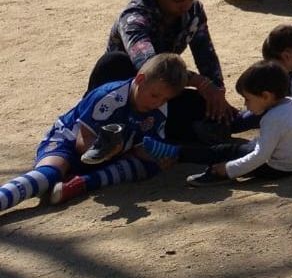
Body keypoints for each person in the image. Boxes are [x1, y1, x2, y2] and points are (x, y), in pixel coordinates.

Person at [4, 53, 190, 212]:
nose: (157, 103)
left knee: (149, 167)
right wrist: (105, 150)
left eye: (165, 99)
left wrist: (159, 156)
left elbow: (142, 147)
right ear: (140, 79)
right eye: (155, 95)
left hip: (112, 155)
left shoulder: (159, 110)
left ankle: (81, 183)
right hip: (68, 142)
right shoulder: (109, 97)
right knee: (48, 174)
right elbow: (82, 143)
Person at [90, 0, 233, 144]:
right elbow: (149, 65)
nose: (186, 5)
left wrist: (217, 94)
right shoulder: (134, 17)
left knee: (203, 106)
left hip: (160, 92)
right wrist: (200, 82)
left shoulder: (194, 11)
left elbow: (205, 54)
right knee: (115, 61)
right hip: (126, 89)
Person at [187, 61, 292, 187]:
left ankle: (216, 173)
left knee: (228, 152)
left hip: (278, 168)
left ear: (266, 96)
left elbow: (260, 156)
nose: (245, 104)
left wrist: (229, 169)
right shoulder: (291, 103)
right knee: (240, 148)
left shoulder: (273, 118)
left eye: (247, 99)